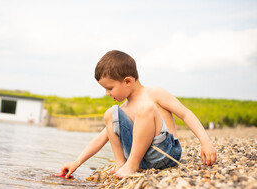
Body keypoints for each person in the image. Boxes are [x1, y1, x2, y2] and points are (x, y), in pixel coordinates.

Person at [61, 50, 217, 179]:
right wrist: (77, 162)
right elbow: (102, 137)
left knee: (145, 108)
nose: (107, 93)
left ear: (128, 81)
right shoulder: (124, 107)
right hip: (142, 157)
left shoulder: (154, 93)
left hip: (165, 153)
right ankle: (121, 164)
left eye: (110, 88)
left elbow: (185, 114)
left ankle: (131, 166)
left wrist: (205, 142)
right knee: (111, 113)